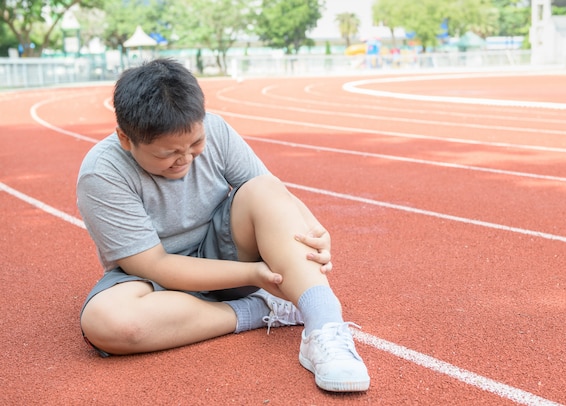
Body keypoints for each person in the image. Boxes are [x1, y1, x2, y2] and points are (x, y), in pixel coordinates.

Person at [76, 58, 370, 392]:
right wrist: (253, 276)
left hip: (223, 247)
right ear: (126, 139)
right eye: (167, 154)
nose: (185, 159)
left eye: (194, 145)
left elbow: (271, 191)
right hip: (151, 275)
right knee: (107, 322)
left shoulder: (216, 130)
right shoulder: (102, 174)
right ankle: (260, 309)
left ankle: (325, 324)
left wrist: (314, 229)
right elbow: (154, 264)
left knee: (261, 188)